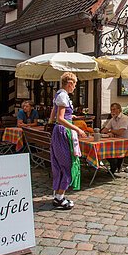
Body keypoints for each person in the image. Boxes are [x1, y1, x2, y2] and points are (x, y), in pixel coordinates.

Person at [49, 72, 87, 210]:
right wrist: (77, 129)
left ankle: (58, 196)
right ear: (70, 83)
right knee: (67, 164)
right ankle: (59, 198)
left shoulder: (59, 95)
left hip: (58, 132)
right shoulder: (63, 96)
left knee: (60, 164)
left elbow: (52, 116)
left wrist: (70, 115)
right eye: (75, 84)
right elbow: (59, 118)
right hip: (62, 132)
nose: (75, 87)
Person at [102, 103, 128, 173]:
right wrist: (99, 132)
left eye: (114, 109)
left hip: (127, 143)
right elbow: (105, 129)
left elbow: (120, 132)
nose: (112, 111)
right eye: (111, 110)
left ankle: (114, 164)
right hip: (117, 141)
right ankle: (114, 164)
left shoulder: (124, 118)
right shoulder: (113, 119)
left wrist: (110, 131)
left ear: (119, 110)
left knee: (107, 148)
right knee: (104, 148)